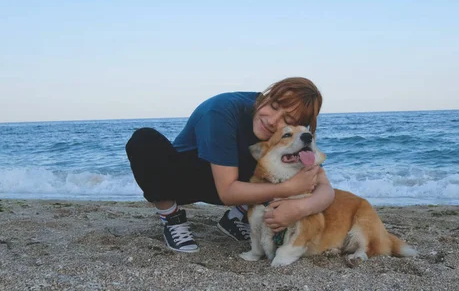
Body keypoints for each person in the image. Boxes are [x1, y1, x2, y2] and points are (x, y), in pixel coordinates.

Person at [125, 77, 334, 252]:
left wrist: (298, 208)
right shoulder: (222, 110)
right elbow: (227, 192)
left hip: (235, 184)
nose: (272, 120)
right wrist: (288, 188)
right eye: (274, 106)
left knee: (284, 159)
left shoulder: (289, 136)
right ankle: (172, 219)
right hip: (182, 180)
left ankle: (235, 218)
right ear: (267, 96)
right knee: (143, 140)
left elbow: (325, 188)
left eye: (286, 119)